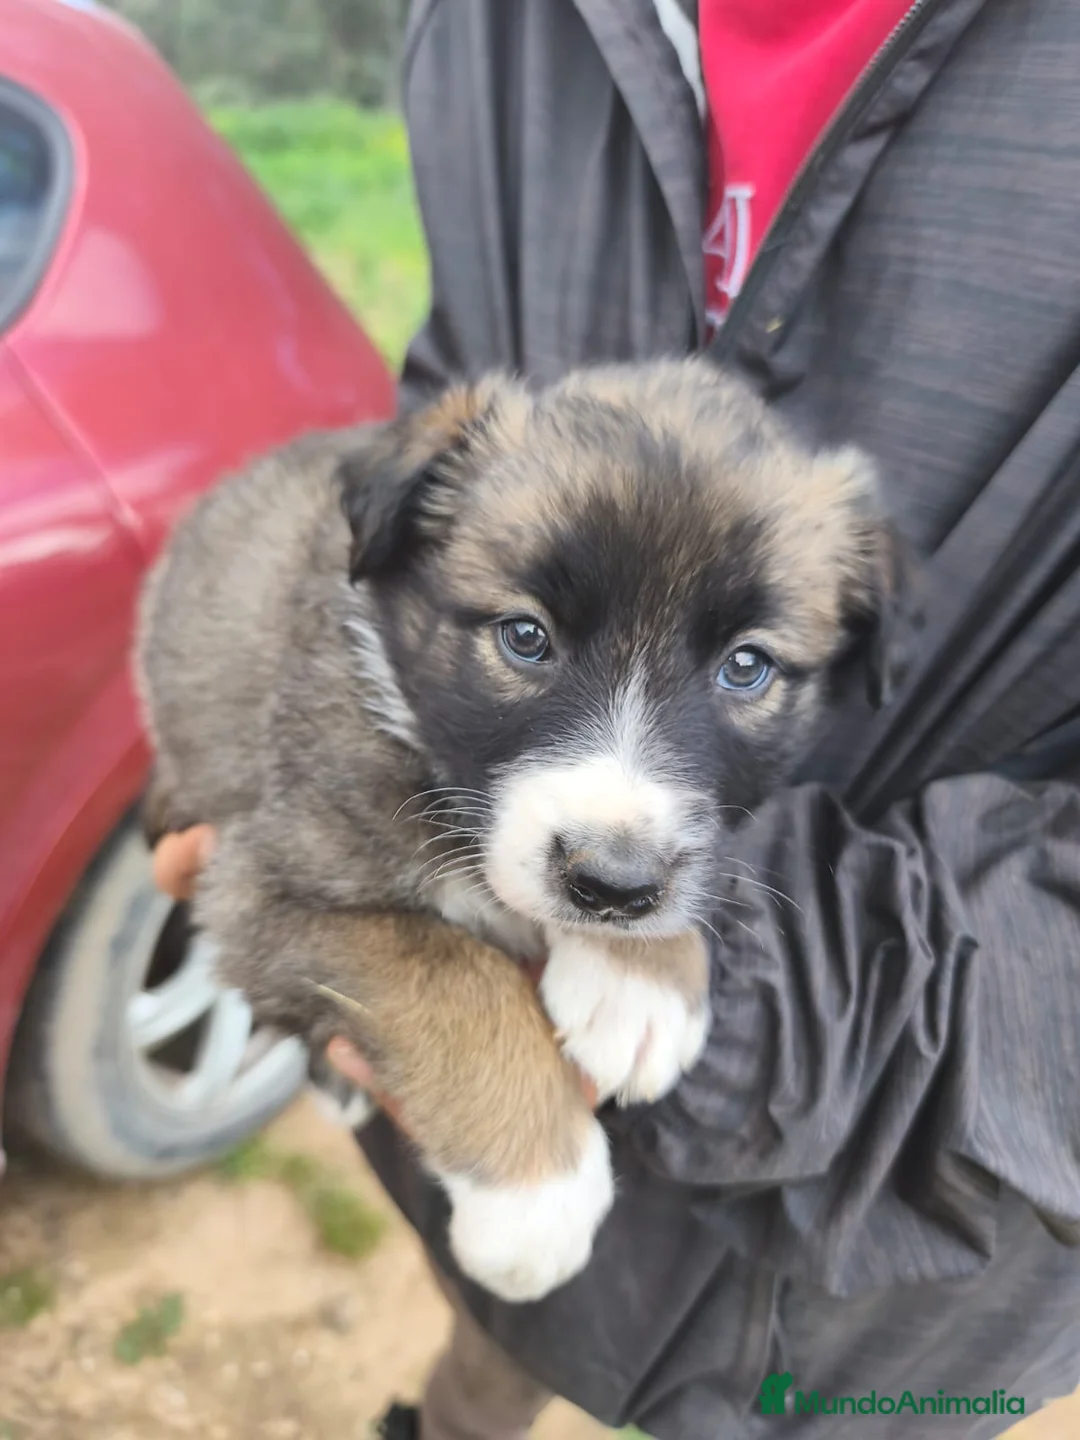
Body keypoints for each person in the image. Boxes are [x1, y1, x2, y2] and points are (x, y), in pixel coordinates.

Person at [154, 1, 1080, 1436]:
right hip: (537, 1214)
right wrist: (504, 1114)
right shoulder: (499, 26)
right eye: (528, 641)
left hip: (888, 1308)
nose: (621, 807)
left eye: (748, 669)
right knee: (501, 1320)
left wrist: (746, 988)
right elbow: (288, 885)